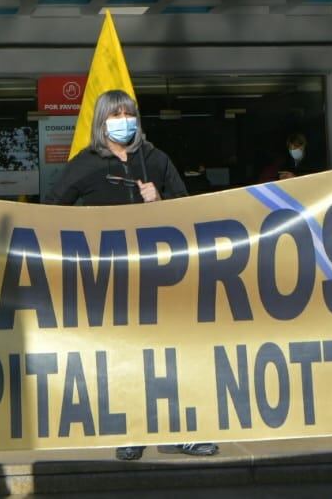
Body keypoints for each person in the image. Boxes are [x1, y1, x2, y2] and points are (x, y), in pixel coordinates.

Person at [46, 89, 218, 461]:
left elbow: (188, 206)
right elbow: (51, 210)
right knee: (124, 356)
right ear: (102, 121)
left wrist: (160, 201)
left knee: (170, 354)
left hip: (161, 275)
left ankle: (179, 433)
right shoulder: (86, 164)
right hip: (111, 279)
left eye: (129, 113)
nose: (124, 120)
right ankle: (131, 431)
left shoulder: (154, 159)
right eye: (116, 114)